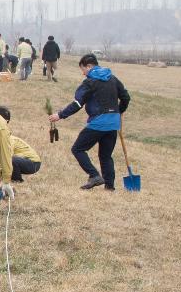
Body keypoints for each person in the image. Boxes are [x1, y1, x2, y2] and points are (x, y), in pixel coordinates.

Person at [48, 54, 130, 191]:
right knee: (105, 155)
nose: (83, 73)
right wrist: (119, 111)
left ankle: (94, 175)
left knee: (78, 149)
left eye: (83, 69)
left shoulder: (90, 82)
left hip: (99, 121)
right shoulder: (113, 78)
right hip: (113, 123)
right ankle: (110, 187)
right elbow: (126, 97)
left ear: (89, 66)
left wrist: (60, 115)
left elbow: (78, 103)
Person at [0, 107, 43, 182]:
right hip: (22, 160)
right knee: (1, 160)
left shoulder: (8, 139)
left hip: (33, 163)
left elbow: (7, 159)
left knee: (9, 159)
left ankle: (17, 180)